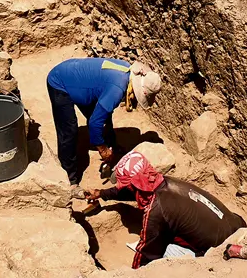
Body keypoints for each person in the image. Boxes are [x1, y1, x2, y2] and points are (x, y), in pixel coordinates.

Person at [85, 150, 247, 269]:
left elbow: (146, 253)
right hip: (236, 226)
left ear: (134, 186)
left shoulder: (156, 210)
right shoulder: (166, 183)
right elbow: (136, 190)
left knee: (165, 249)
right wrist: (101, 194)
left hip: (222, 254)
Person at [47, 58, 162, 192]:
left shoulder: (127, 72)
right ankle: (69, 179)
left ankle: (112, 144)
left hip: (80, 80)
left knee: (103, 115)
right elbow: (95, 124)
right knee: (69, 131)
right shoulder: (117, 89)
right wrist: (103, 149)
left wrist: (110, 144)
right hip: (59, 83)